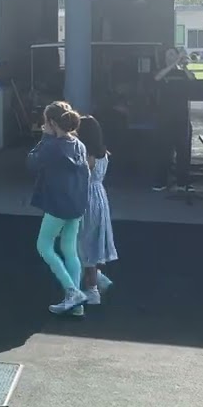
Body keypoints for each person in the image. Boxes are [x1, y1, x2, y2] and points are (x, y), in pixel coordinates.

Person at [27, 101, 90, 315]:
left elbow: (31, 163)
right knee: (69, 250)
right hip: (76, 205)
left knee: (44, 246)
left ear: (52, 123)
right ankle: (76, 306)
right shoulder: (79, 145)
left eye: (46, 122)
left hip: (57, 205)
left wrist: (44, 137)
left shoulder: (52, 146)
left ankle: (72, 291)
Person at [76, 115, 117, 307]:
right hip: (100, 196)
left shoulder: (88, 156)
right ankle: (98, 278)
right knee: (94, 239)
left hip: (86, 198)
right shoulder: (103, 153)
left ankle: (92, 289)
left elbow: (81, 175)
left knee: (84, 244)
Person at [152, 47, 195, 192]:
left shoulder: (183, 72)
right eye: (167, 54)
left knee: (183, 151)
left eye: (173, 54)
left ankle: (183, 182)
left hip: (182, 117)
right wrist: (173, 63)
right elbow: (156, 78)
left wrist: (184, 65)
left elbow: (193, 80)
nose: (170, 56)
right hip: (164, 117)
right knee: (163, 151)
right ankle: (161, 181)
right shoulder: (161, 71)